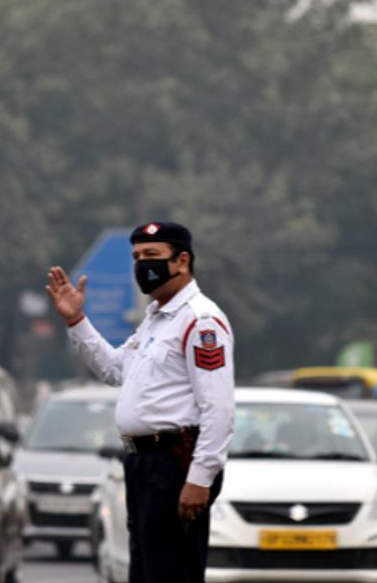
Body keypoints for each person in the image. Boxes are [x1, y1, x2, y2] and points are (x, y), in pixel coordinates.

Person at [46, 221, 235, 583]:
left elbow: (219, 407)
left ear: (182, 261)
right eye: (136, 257)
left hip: (174, 464)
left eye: (152, 256)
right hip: (144, 465)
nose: (142, 265)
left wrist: (201, 478)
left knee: (171, 574)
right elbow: (115, 370)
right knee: (147, 573)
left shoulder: (201, 320)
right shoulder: (155, 319)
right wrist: (76, 320)